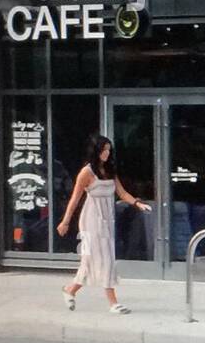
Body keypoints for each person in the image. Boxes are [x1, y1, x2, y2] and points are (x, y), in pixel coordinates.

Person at [57, 134, 152, 314]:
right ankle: (113, 303)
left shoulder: (110, 170)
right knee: (99, 258)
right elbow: (75, 199)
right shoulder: (87, 173)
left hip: (107, 219)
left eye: (109, 150)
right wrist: (65, 221)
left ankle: (70, 289)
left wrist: (138, 203)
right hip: (91, 219)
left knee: (96, 259)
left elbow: (122, 193)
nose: (107, 153)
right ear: (96, 151)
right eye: (104, 150)